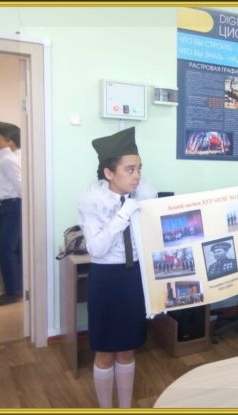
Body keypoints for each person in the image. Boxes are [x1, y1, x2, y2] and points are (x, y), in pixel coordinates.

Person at [78, 127, 156, 408]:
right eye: (130, 169)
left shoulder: (144, 198)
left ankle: (125, 408)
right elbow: (96, 248)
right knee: (105, 352)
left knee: (127, 349)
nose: (137, 176)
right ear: (109, 173)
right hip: (106, 279)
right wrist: (123, 214)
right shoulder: (91, 203)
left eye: (139, 169)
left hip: (134, 277)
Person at [0, 121, 23, 306]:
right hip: (8, 206)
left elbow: (20, 187)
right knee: (11, 248)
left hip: (13, 206)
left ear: (8, 140)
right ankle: (16, 288)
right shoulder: (7, 157)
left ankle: (13, 291)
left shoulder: (7, 159)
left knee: (6, 248)